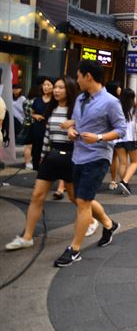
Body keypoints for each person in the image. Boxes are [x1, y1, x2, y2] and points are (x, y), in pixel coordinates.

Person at [5, 76, 103, 252]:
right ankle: (27, 237)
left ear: (70, 89)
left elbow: (91, 130)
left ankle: (98, 220)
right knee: (37, 196)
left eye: (60, 88)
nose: (55, 90)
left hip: (72, 156)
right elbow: (47, 136)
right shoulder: (52, 109)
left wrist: (75, 128)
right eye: (54, 87)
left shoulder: (78, 110)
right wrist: (42, 157)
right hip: (52, 156)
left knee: (78, 199)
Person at [52, 61, 126, 267]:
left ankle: (74, 249)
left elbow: (121, 129)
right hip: (78, 156)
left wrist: (100, 137)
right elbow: (75, 121)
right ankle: (109, 225)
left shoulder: (111, 102)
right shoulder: (80, 99)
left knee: (83, 202)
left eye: (78, 76)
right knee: (78, 197)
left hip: (98, 157)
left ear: (88, 77)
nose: (76, 80)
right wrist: (71, 131)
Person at [113, 88, 137, 195]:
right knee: (134, 162)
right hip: (132, 138)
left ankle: (124, 185)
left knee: (122, 163)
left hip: (118, 138)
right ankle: (125, 181)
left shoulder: (116, 108)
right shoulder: (136, 109)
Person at [29, 77, 54, 171]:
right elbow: (32, 113)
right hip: (37, 129)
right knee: (36, 152)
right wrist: (35, 116)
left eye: (48, 85)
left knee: (48, 154)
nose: (45, 87)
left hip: (48, 130)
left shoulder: (54, 101)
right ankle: (36, 171)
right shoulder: (38, 100)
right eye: (44, 85)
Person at [105, 81, 122, 190]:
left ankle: (113, 180)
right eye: (118, 87)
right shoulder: (117, 102)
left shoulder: (104, 101)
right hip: (116, 134)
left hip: (107, 134)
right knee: (119, 158)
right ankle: (118, 181)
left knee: (113, 158)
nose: (120, 89)